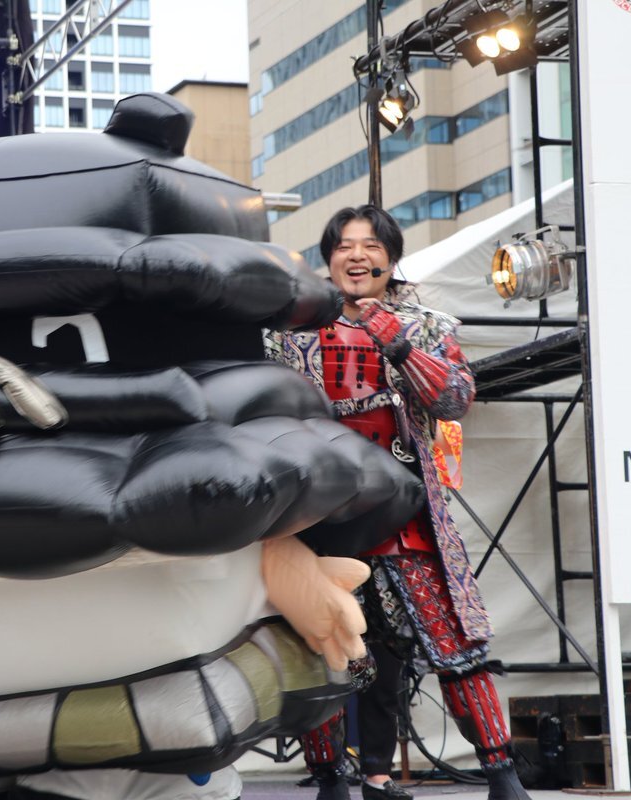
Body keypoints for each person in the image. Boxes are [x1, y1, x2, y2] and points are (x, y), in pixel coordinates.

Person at [265, 205, 529, 800]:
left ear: (391, 256)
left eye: (370, 245)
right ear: (328, 258)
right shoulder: (288, 331)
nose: (357, 255)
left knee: (455, 645)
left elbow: (455, 400)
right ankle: (331, 779)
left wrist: (397, 341)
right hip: (319, 517)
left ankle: (502, 775)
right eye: (344, 245)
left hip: (407, 514)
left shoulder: (427, 326)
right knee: (322, 646)